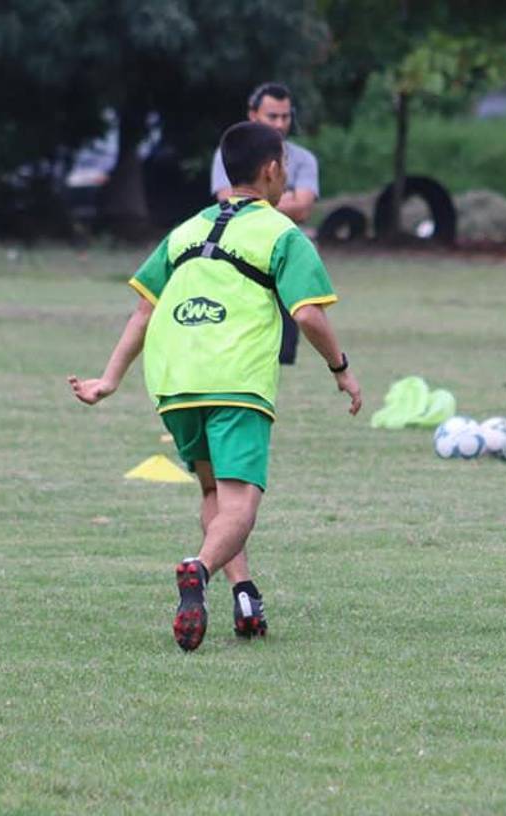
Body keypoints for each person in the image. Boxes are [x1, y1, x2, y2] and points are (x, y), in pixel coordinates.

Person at [70, 121, 361, 652]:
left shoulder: (184, 231)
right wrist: (341, 368)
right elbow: (310, 316)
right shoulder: (281, 233)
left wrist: (109, 380)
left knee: (213, 492)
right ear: (272, 170)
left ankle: (243, 593)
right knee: (242, 503)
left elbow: (143, 309)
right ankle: (198, 568)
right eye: (285, 169)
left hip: (176, 382)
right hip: (235, 380)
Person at [211, 82, 319, 367]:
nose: (281, 124)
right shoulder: (229, 153)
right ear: (253, 114)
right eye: (273, 116)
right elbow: (229, 203)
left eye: (285, 116)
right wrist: (287, 200)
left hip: (283, 262)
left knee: (283, 351)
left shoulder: (304, 159)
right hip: (239, 259)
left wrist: (253, 199)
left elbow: (304, 208)